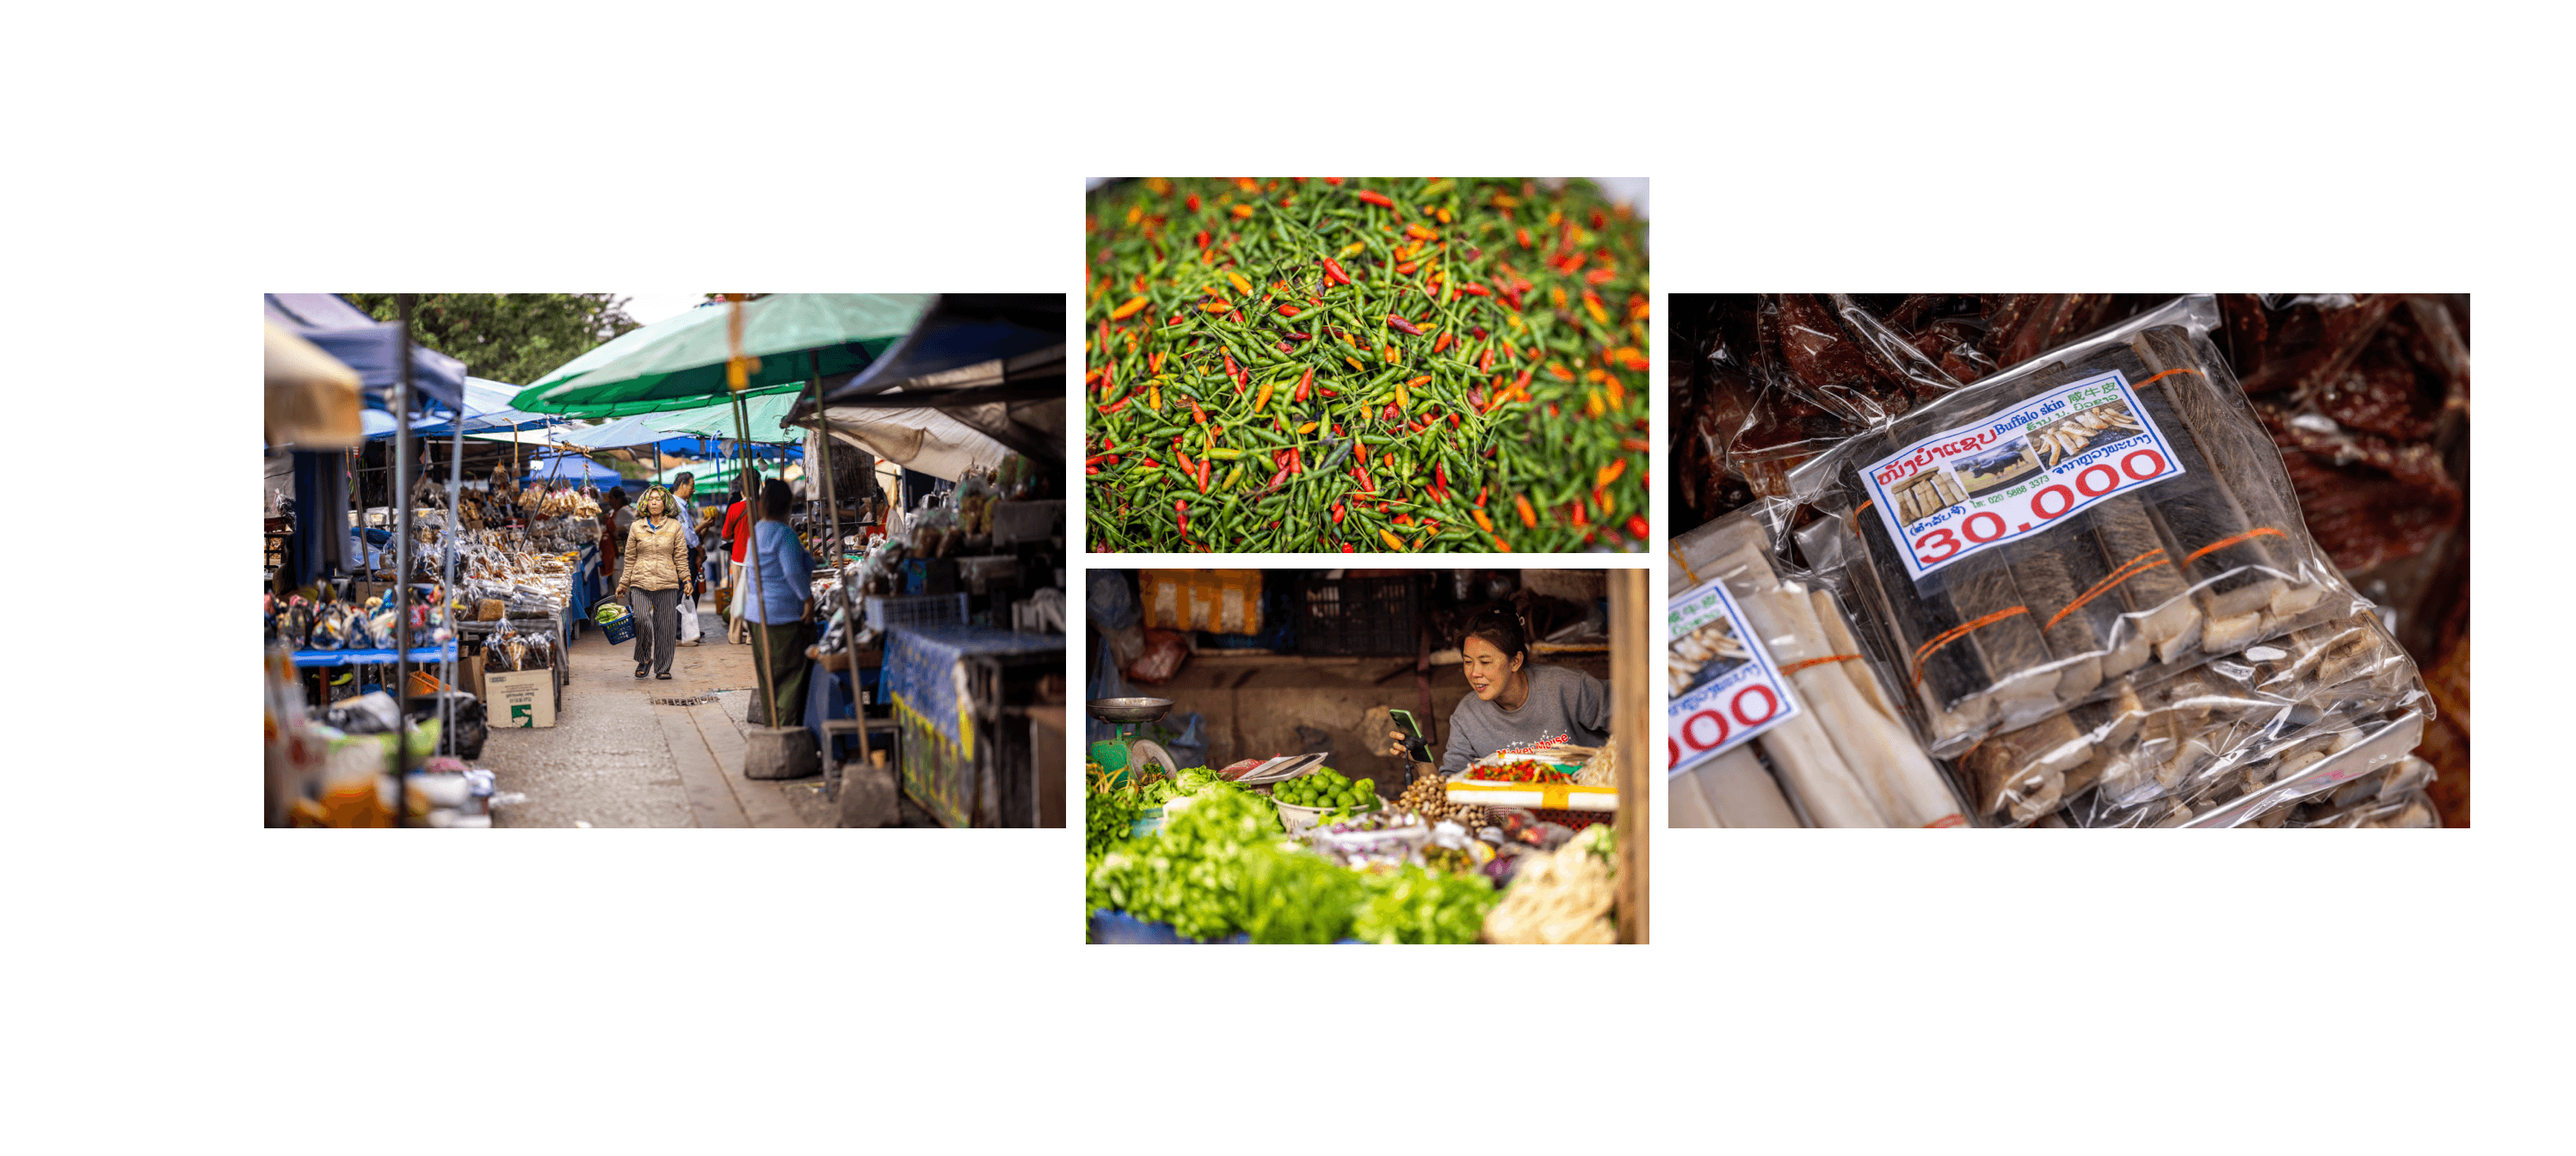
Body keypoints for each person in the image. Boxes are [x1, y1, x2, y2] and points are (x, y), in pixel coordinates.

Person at [1392, 607, 1611, 780]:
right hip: (1518, 817)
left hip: (1585, 800)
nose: (1474, 673)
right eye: (1468, 662)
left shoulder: (1569, 688)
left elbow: (1639, 717)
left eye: (1485, 662)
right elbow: (1452, 790)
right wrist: (1420, 761)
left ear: (1515, 661)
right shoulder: (1467, 716)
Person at [742, 477, 814, 725]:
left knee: (768, 677)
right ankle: (786, 732)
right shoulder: (784, 535)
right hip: (782, 615)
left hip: (756, 613)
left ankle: (774, 727)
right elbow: (793, 572)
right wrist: (808, 599)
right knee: (790, 676)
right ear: (788, 505)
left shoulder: (756, 532)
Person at [614, 484, 693, 680]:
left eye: (658, 499)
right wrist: (623, 583)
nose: (655, 502)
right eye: (651, 499)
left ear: (664, 503)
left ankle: (663, 667)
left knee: (665, 626)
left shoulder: (675, 526)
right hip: (640, 582)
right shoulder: (636, 527)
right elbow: (630, 558)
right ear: (645, 503)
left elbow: (681, 556)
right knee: (641, 619)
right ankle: (644, 658)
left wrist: (687, 578)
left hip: (667, 582)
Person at [721, 468, 763, 644]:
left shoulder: (735, 508)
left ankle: (735, 635)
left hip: (738, 558)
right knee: (755, 597)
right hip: (757, 559)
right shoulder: (762, 508)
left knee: (738, 597)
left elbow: (725, 535)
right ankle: (753, 637)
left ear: (741, 490)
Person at [670, 471, 706, 646]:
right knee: (681, 592)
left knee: (684, 591)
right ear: (682, 485)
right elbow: (687, 533)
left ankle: (685, 631)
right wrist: (700, 549)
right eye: (692, 485)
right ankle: (679, 635)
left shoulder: (680, 505)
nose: (693, 489)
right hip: (681, 553)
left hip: (684, 553)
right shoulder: (675, 505)